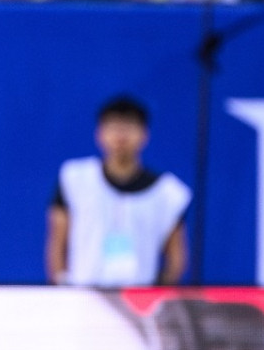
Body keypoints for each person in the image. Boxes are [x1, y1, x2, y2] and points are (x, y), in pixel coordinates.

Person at [46, 96, 191, 286]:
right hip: (82, 297)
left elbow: (177, 257)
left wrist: (156, 294)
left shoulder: (169, 193)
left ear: (145, 134)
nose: (121, 135)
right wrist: (62, 287)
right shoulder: (74, 179)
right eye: (113, 126)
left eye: (129, 126)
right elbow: (57, 241)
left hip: (138, 301)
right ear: (99, 134)